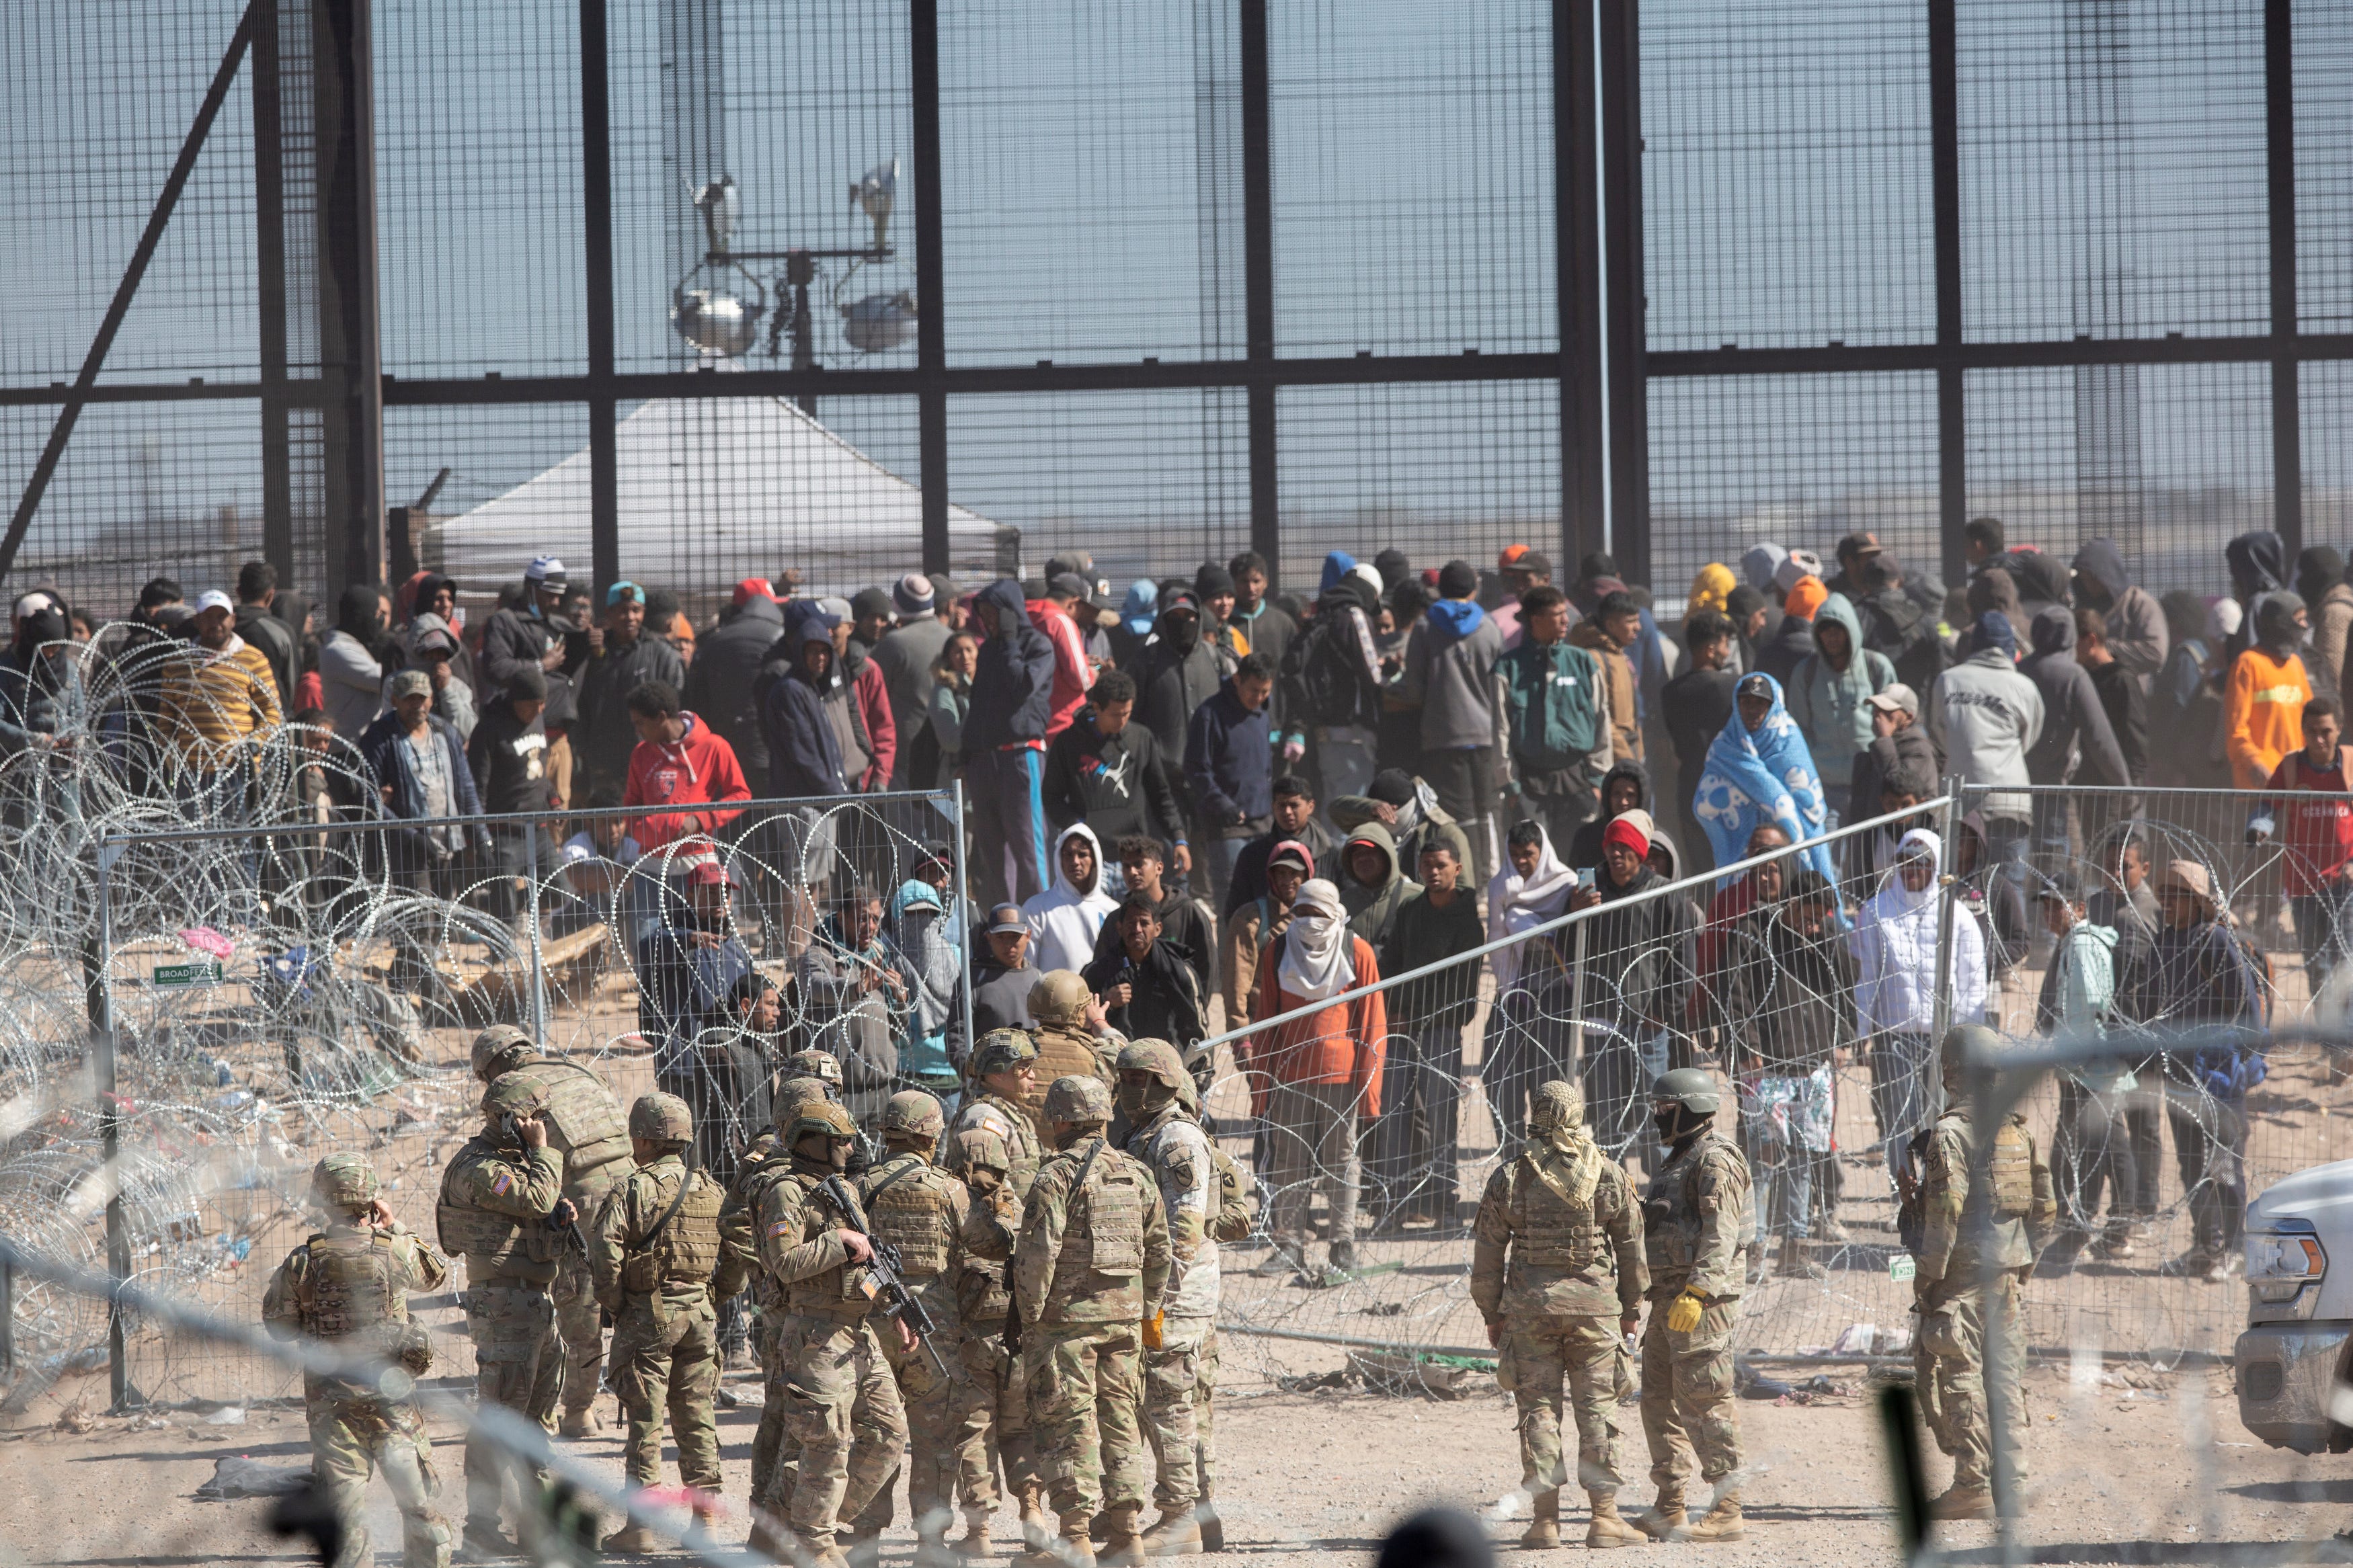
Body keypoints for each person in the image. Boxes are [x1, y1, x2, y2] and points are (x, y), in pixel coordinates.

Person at [1472, 1080, 1648, 1551]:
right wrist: (1631, 1309)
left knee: (1538, 1412)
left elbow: (1488, 1254)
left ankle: (1545, 1521)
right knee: (1598, 1412)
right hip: (1595, 1311)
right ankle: (1605, 1518)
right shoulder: (1607, 1173)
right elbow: (1632, 1249)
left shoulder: (1510, 1176)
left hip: (1530, 1312)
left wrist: (1492, 1312)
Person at [1006, 1074, 1171, 1567]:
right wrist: (1148, 1315)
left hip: (1067, 1326)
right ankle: (1127, 1535)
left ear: (1060, 1119)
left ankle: (1075, 1540)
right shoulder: (1136, 1172)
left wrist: (1031, 1318)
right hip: (1124, 1323)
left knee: (1068, 1426)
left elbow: (1037, 1251)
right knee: (1120, 1421)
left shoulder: (1055, 1175)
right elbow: (1159, 1250)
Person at [842, 1090, 1010, 1566]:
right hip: (931, 1328)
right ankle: (931, 1542)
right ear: (930, 1135)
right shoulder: (948, 1188)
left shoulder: (859, 1186)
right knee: (935, 1436)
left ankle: (866, 1537)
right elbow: (988, 1241)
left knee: (875, 1431)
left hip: (872, 1325)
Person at [746, 1097, 914, 1567]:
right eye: (839, 1138)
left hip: (857, 1331)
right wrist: (836, 1242)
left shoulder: (843, 1189)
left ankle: (787, 1529)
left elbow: (868, 1261)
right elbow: (783, 1264)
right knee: (827, 1441)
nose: (849, 1146)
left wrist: (894, 1306)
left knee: (887, 1431)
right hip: (815, 1335)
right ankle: (814, 1540)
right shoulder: (786, 1191)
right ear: (813, 1140)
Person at [263, 1155, 451, 1568]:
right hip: (393, 1401)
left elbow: (278, 1326)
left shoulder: (302, 1261)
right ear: (371, 1198)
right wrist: (394, 1224)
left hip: (334, 1406)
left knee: (345, 1513)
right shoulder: (396, 1250)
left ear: (321, 1200)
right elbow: (436, 1274)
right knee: (417, 1504)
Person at [1908, 1026, 2057, 1522]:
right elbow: (2046, 1206)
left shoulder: (1951, 1133)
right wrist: (2023, 1263)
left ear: (1951, 1072)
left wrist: (1926, 1279)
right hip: (2006, 1275)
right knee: (2006, 1379)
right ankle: (2010, 1485)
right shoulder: (2016, 1128)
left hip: (1962, 1277)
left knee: (1962, 1376)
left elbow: (1944, 1214)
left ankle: (1972, 1486)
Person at [588, 1092, 738, 1551]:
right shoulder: (712, 1189)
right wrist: (716, 1295)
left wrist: (617, 1303)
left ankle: (641, 1528)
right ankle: (705, 1526)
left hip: (648, 1316)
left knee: (646, 1422)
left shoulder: (633, 1188)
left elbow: (604, 1251)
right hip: (700, 1316)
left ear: (646, 1139)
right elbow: (738, 1253)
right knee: (698, 1419)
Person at [469, 1026, 634, 1440]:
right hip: (633, 1183)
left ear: (494, 1067)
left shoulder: (522, 1089)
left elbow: (519, 1159)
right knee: (636, 1294)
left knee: (580, 1302)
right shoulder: (575, 1067)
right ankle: (645, 1401)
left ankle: (579, 1412)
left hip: (583, 1191)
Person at [434, 1075, 569, 1553]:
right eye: (535, 1117)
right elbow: (535, 1198)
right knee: (500, 1419)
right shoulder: (480, 1168)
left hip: (531, 1301)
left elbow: (539, 1208)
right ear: (507, 1119)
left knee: (535, 1420)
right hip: (506, 1305)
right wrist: (544, 1154)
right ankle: (483, 1527)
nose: (543, 1125)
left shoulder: (515, 1164)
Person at [2120, 859, 2267, 1280]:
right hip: (2179, 1075)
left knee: (2222, 1165)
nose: (2166, 902)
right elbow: (2152, 1003)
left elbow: (2247, 1011)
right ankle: (2207, 1245)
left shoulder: (2215, 941)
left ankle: (2234, 1248)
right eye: (2163, 894)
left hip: (2218, 1080)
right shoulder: (2166, 941)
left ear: (2198, 901)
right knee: (2191, 1165)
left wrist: (2234, 1057)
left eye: (2175, 895)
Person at [938, 1030, 1050, 1553]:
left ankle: (1021, 1518)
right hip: (989, 1280)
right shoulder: (983, 1124)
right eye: (1020, 1065)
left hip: (1010, 1280)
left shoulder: (1014, 1119)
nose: (1030, 1073)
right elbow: (988, 1203)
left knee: (1009, 1407)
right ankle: (988, 1528)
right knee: (985, 1410)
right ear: (992, 1072)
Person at [1628, 1069, 1751, 1544]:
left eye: (1664, 1108)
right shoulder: (1676, 1160)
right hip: (1668, 1300)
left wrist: (1698, 1292)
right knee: (1659, 1402)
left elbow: (1723, 1234)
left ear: (1688, 1108)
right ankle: (1670, 1503)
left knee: (1706, 1400)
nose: (1658, 1116)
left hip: (1701, 1303)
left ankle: (1728, 1507)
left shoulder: (1715, 1159)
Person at [1113, 1039, 1225, 1555]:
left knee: (1170, 1405)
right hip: (1152, 1291)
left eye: (1141, 1081)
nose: (1130, 1089)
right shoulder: (1143, 1132)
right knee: (1144, 1403)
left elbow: (1185, 1230)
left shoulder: (1176, 1138)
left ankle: (1182, 1517)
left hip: (1174, 1297)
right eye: (1127, 1079)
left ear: (1166, 1083)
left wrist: (1158, 1300)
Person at [1242, 877, 1385, 1278]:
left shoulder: (1356, 952)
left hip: (1342, 1079)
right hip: (1290, 1078)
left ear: (1334, 913)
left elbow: (1372, 1024)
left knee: (1341, 1162)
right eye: (1301, 912)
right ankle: (1288, 1244)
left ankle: (1343, 1246)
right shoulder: (1277, 952)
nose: (1308, 921)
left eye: (1317, 913)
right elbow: (1266, 1022)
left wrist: (1369, 1089)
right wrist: (1261, 1087)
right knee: (1288, 1162)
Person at [1719, 867, 1851, 1279]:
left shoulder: (1823, 941)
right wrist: (1746, 1046)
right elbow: (1735, 991)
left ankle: (1794, 1248)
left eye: (1820, 919)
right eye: (1807, 916)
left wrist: (1842, 1038)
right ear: (1788, 904)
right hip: (1766, 1066)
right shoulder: (1753, 933)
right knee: (1763, 1161)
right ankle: (1754, 1250)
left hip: (1811, 1066)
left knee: (1803, 1160)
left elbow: (1844, 990)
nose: (1812, 926)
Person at [1851, 828, 1987, 1182]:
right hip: (1892, 1037)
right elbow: (1867, 978)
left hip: (1944, 1042)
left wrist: (1970, 1039)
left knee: (1942, 1121)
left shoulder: (1958, 917)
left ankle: (1940, 1197)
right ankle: (1907, 1198)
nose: (1912, 869)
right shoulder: (1875, 912)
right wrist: (1862, 1032)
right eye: (1904, 861)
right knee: (1898, 1120)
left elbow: (1973, 984)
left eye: (1922, 862)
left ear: (1936, 865)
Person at [1564, 811, 1698, 1160]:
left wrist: (1663, 1013)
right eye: (1611, 846)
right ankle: (1612, 1198)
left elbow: (1682, 961)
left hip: (1648, 1022)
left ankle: (1658, 1199)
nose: (1616, 854)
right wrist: (1575, 914)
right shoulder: (1589, 889)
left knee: (1654, 1115)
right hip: (1601, 1019)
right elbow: (1566, 949)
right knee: (1607, 1116)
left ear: (1640, 851)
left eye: (1625, 847)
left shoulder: (1665, 894)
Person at [1373, 836, 1485, 1229]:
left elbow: (1464, 986)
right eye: (1426, 866)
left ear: (1457, 868)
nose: (1433, 873)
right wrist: (1396, 1011)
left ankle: (1445, 1202)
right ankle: (1392, 1204)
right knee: (1394, 1113)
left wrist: (1432, 1016)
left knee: (1441, 1117)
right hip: (1403, 1027)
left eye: (1440, 865)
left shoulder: (1468, 921)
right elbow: (1393, 964)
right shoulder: (1410, 910)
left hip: (1441, 1029)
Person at [2031, 874, 2135, 1265]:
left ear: (2078, 907)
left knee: (2108, 1144)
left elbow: (2093, 1004)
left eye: (2056, 905)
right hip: (2085, 1063)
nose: (2049, 914)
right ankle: (2093, 1224)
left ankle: (2113, 1227)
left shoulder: (2082, 946)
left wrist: (2083, 1058)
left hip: (2092, 1063)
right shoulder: (2072, 943)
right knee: (2099, 1143)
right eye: (2044, 906)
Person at [1925, 612, 2042, 897]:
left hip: (1960, 800)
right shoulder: (2023, 687)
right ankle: (2009, 941)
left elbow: (1939, 734)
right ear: (2009, 648)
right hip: (2009, 799)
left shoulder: (1948, 681)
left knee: (1956, 886)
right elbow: (2029, 739)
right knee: (2009, 886)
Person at [1406, 560, 1507, 882]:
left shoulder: (1424, 627)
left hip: (1442, 736)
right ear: (1474, 589)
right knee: (1487, 810)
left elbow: (1414, 687)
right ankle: (1492, 878)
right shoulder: (1490, 627)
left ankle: (1467, 882)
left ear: (1440, 590)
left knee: (1456, 814)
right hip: (1486, 735)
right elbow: (1501, 684)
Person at [1481, 821, 1579, 1149]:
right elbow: (1497, 937)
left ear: (1543, 851)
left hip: (1555, 996)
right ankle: (1511, 1157)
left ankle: (1551, 1156)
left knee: (1548, 1084)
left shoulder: (1567, 885)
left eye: (1528, 855)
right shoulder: (1501, 887)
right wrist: (1508, 988)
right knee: (1499, 1079)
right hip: (1513, 995)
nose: (1521, 862)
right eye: (1514, 855)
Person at [1497, 582, 1613, 855]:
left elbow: (1601, 722)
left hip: (1578, 781)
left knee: (1580, 857)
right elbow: (1500, 730)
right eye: (1558, 614)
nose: (1566, 620)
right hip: (1529, 782)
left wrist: (1598, 781)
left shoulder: (1584, 663)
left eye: (1566, 613)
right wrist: (1511, 784)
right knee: (1532, 858)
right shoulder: (1507, 668)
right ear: (1536, 620)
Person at [965, 579, 1059, 907]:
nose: (989, 621)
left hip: (1021, 757)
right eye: (984, 614)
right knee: (994, 856)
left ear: (1011, 612)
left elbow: (1022, 687)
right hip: (985, 763)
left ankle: (1042, 925)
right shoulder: (989, 649)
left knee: (1029, 849)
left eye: (995, 614)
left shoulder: (1038, 646)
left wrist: (1008, 642)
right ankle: (1005, 929)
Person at [1693, 673, 1835, 889]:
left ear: (1773, 705)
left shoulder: (1788, 739)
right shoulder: (1725, 746)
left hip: (1790, 850)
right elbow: (1706, 797)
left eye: (1760, 703)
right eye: (1746, 702)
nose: (1752, 710)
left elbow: (1807, 799)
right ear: (1736, 704)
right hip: (1742, 849)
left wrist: (1780, 808)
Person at [1041, 668, 1191, 868]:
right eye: (1115, 715)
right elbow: (1051, 797)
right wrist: (1076, 826)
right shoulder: (1068, 743)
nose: (1121, 721)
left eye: (1126, 714)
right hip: (1092, 858)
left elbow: (1161, 795)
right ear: (1096, 707)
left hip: (1134, 856)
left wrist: (1178, 838)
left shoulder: (1141, 738)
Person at [2253, 697, 2353, 992]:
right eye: (2311, 732)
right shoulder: (2292, 767)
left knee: (2346, 961)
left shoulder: (2349, 766)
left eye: (2326, 731)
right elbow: (2268, 806)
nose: (2319, 739)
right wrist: (2258, 828)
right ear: (2302, 731)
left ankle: (2345, 1033)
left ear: (2339, 728)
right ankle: (2326, 1035)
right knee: (2317, 966)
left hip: (2345, 883)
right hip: (2302, 884)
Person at [797, 884, 909, 1125]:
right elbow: (815, 985)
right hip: (841, 1090)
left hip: (882, 1087)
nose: (869, 927)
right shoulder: (822, 953)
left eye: (875, 919)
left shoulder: (880, 955)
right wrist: (857, 988)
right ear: (841, 916)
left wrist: (899, 999)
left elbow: (899, 1026)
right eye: (861, 919)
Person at [1277, 564, 1386, 804]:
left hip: (1324, 731)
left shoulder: (1322, 617)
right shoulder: (1354, 615)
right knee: (1353, 810)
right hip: (1353, 733)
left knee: (1334, 808)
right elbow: (1373, 676)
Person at [1786, 592, 1895, 821]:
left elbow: (1894, 721)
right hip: (1826, 787)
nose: (1832, 637)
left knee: (1868, 856)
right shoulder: (1805, 673)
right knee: (1829, 854)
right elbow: (1798, 730)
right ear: (1817, 633)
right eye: (1825, 630)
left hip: (1871, 785)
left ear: (1851, 630)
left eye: (1838, 630)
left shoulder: (1876, 667)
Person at [574, 581, 686, 804]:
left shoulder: (662, 655)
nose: (630, 617)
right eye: (622, 611)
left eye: (636, 610)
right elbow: (580, 702)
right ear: (609, 613)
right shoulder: (592, 653)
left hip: (650, 758)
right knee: (610, 829)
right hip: (604, 762)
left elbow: (677, 710)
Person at [1185, 652, 1277, 907]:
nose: (1258, 698)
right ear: (1237, 680)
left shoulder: (1263, 715)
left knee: (1265, 900)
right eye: (1254, 690)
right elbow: (1196, 769)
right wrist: (1224, 806)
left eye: (1265, 692)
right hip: (1227, 828)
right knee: (1233, 903)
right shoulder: (1209, 714)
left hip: (1264, 824)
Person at [1082, 892, 1209, 1069]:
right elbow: (1079, 1024)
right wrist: (1106, 1002)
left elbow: (1196, 1030)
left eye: (1144, 923)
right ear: (1119, 928)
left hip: (1165, 1070)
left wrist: (1199, 1080)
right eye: (1131, 923)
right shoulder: (1097, 972)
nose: (1137, 929)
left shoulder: (1178, 971)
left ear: (1158, 928)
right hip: (1114, 1069)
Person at [685, 579, 788, 788]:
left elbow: (697, 703)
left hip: (725, 754)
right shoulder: (782, 638)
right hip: (775, 753)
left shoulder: (714, 643)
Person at [1662, 609, 1738, 868]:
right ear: (1709, 649)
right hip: (1729, 788)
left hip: (1690, 789)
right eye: (1725, 645)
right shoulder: (1732, 688)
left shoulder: (1671, 692)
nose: (1727, 652)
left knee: (1700, 864)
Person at [1105, 835, 1213, 1003]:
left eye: (1139, 864)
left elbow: (1206, 971)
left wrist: (1194, 1013)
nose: (1132, 872)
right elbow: (1102, 971)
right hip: (1129, 1026)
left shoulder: (1188, 913)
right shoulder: (1116, 921)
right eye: (1126, 866)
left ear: (1159, 867)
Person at [889, 879, 967, 1102]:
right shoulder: (888, 959)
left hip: (951, 1074)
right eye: (913, 916)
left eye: (929, 915)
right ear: (898, 919)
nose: (922, 924)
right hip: (906, 1073)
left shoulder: (957, 958)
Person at [2227, 591, 2314, 790]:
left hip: (2295, 785)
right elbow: (2235, 729)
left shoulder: (2296, 665)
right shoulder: (2248, 664)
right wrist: (2254, 763)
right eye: (2299, 619)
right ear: (2280, 623)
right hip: (2260, 786)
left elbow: (2309, 722)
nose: (2305, 626)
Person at [1223, 839, 1310, 1035]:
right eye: (1281, 873)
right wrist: (1240, 1035)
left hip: (1307, 1025)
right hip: (1263, 1025)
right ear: (1271, 876)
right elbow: (1237, 980)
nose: (1287, 880)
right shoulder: (1251, 917)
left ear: (1307, 875)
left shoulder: (1320, 917)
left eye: (1294, 873)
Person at [1224, 774, 1341, 916]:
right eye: (1282, 805)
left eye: (1294, 805)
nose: (1287, 812)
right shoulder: (1253, 855)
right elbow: (1237, 910)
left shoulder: (1332, 852)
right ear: (1273, 807)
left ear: (1311, 806)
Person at [2069, 538, 2167, 689]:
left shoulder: (2139, 604)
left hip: (2129, 694)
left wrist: (2103, 647)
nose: (2090, 586)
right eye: (2084, 580)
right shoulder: (2082, 609)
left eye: (2094, 579)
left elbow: (2155, 653)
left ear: (2108, 574)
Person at [1024, 823, 1119, 975]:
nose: (1075, 861)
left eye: (1082, 854)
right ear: (1059, 859)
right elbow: (1028, 970)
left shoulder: (1112, 910)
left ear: (1094, 859)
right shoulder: (1036, 908)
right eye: (1068, 855)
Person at [321, 583, 395, 738]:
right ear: (362, 616)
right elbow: (384, 679)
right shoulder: (339, 650)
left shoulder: (354, 644)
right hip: (348, 750)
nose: (379, 622)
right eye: (375, 615)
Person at [1338, 819, 1421, 950]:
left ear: (1386, 855)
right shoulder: (1341, 904)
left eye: (1369, 853)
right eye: (1356, 854)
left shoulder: (1417, 897)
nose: (1362, 859)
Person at [916, 629, 978, 790]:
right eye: (958, 652)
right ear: (948, 658)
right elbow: (951, 742)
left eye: (969, 650)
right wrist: (980, 702)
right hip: (957, 785)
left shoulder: (987, 683)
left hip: (988, 779)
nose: (965, 657)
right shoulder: (944, 690)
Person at [233, 560, 297, 711]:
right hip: (272, 716)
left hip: (230, 716)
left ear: (238, 592)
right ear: (270, 595)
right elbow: (292, 681)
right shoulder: (280, 632)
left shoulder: (219, 628)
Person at [1566, 758, 1651, 871]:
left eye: (1630, 795)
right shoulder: (1587, 838)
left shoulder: (1654, 840)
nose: (1623, 802)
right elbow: (1583, 881)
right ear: (1608, 796)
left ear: (1641, 798)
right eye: (1617, 794)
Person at [971, 903, 1038, 1036]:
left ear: (1028, 936)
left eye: (1014, 936)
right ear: (989, 938)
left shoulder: (1039, 979)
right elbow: (958, 1033)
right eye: (1000, 937)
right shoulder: (973, 980)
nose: (1008, 945)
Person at [1228, 550, 1295, 677]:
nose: (1251, 588)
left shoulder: (1283, 623)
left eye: (1256, 581)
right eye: (1244, 581)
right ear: (1233, 583)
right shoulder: (1224, 623)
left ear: (1266, 582)